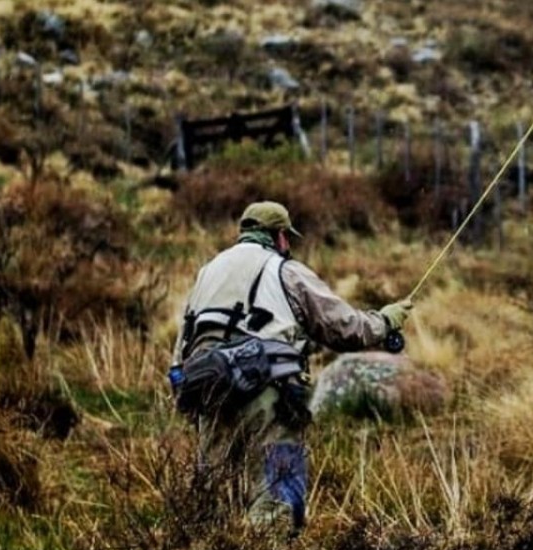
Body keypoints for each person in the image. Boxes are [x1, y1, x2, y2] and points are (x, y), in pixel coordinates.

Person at [169, 201, 412, 531]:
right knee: (276, 501)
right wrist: (384, 321)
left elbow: (182, 345)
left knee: (212, 501)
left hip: (208, 389)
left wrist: (184, 395)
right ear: (279, 235)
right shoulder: (284, 270)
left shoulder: (207, 272)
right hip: (269, 391)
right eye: (287, 237)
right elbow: (343, 328)